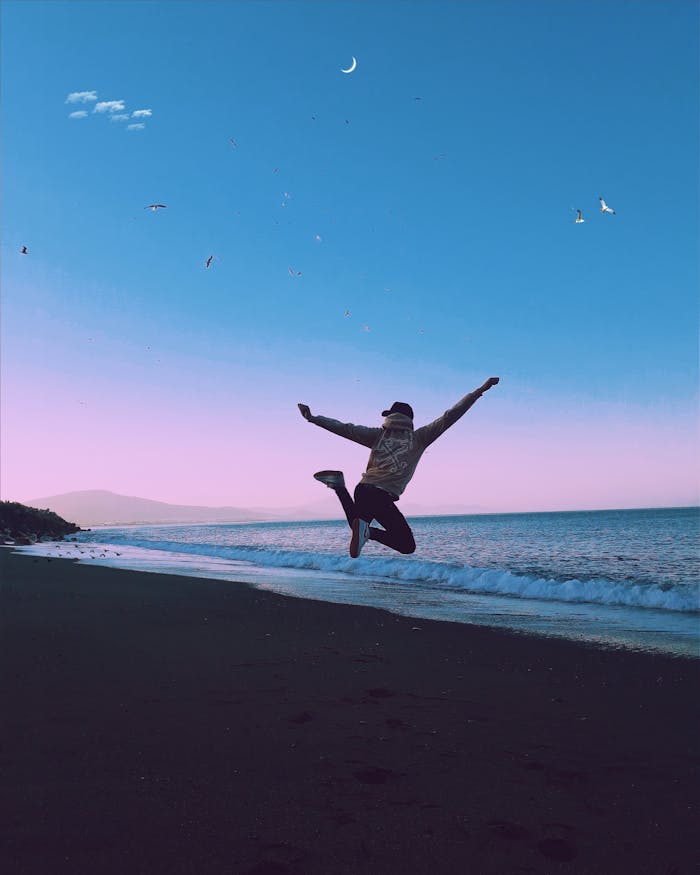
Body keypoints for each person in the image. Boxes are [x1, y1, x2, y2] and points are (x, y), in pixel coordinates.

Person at [297, 376, 500, 558]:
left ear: (391, 417)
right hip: (381, 495)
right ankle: (344, 495)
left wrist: (313, 419)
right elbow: (451, 416)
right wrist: (479, 391)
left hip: (363, 490)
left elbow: (345, 429)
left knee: (357, 526)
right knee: (406, 545)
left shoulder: (378, 435)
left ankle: (341, 489)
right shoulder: (420, 438)